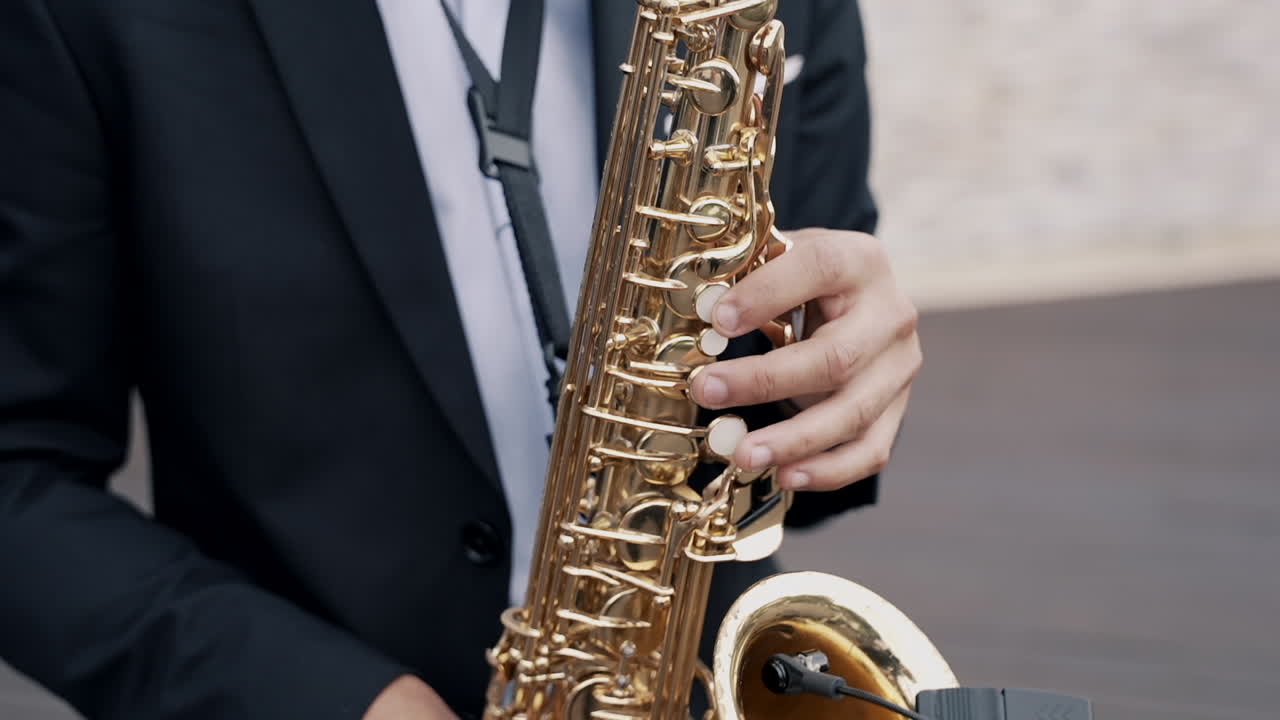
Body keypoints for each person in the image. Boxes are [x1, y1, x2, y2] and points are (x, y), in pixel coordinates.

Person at [0, 1, 920, 718]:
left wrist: (840, 374)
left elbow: (786, 378)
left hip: (684, 672)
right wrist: (336, 703)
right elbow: (18, 473)